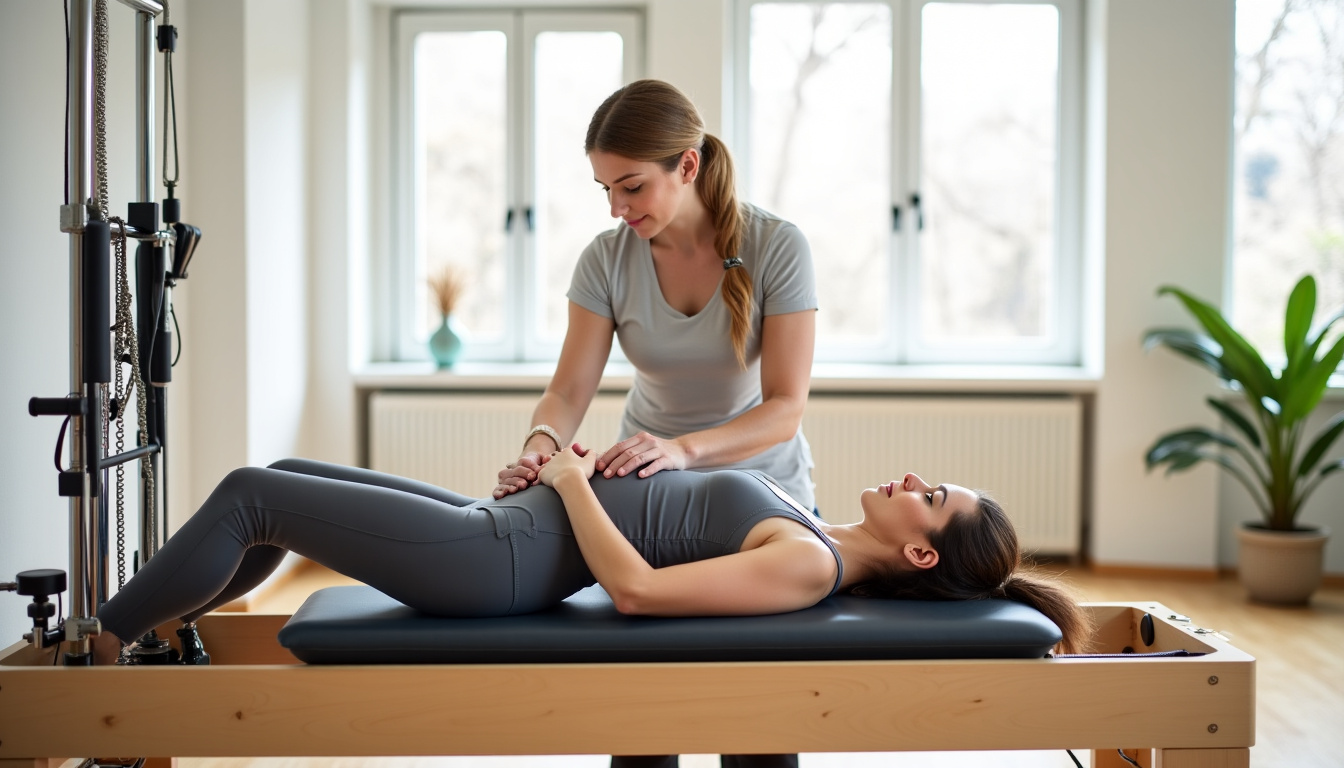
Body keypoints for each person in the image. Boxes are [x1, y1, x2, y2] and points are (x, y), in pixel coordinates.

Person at [94, 447, 1089, 673]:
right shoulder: (816, 522)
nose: (916, 478)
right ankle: (169, 632)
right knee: (280, 481)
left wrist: (573, 487)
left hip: (498, 565)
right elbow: (667, 509)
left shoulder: (807, 566)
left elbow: (641, 593)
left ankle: (95, 651)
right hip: (508, 526)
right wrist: (577, 474)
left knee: (250, 497)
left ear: (920, 549)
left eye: (934, 495)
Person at [494, 79, 819, 525]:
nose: (615, 208)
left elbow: (785, 408)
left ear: (687, 166)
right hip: (651, 490)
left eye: (631, 187)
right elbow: (567, 393)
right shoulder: (604, 259)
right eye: (605, 188)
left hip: (765, 491)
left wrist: (681, 449)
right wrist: (539, 448)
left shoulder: (778, 246)